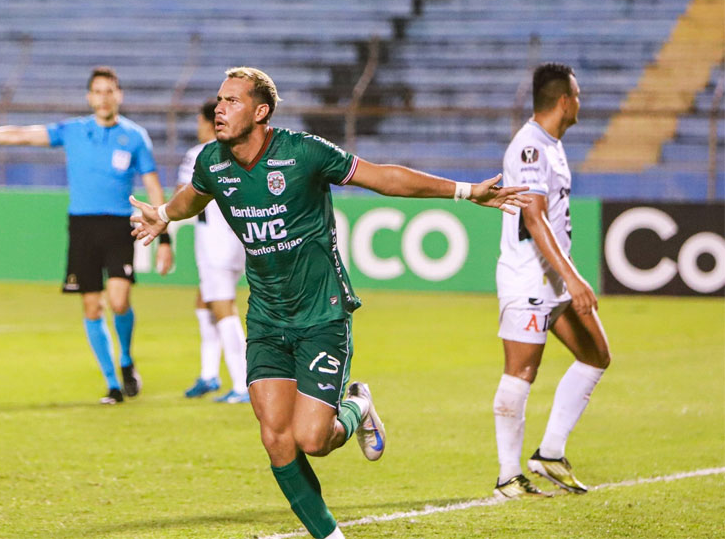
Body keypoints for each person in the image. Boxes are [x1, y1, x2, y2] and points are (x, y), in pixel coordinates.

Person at [130, 67, 531, 538]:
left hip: (321, 314)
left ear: (261, 112)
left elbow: (384, 178)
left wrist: (465, 191)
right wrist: (161, 215)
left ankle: (357, 405)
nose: (219, 108)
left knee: (312, 439)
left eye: (232, 101)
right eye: (219, 99)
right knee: (275, 436)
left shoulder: (303, 152)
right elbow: (192, 199)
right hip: (266, 318)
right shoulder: (211, 162)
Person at [0, 66, 173, 405]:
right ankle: (113, 385)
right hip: (82, 226)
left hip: (119, 225)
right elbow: (22, 134)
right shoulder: (73, 130)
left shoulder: (135, 137)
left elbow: (151, 183)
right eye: (98, 91)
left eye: (110, 91)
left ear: (119, 95)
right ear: (89, 97)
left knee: (119, 301)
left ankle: (126, 360)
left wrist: (164, 235)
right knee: (92, 306)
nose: (103, 98)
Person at [491, 63, 611, 499]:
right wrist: (575, 278)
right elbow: (534, 217)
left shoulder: (551, 145)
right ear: (564, 101)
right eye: (577, 95)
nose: (580, 102)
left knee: (596, 354)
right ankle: (508, 476)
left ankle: (550, 454)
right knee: (521, 371)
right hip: (528, 277)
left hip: (551, 279)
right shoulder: (530, 148)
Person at [178, 99, 250, 403]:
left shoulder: (199, 154)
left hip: (215, 245)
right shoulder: (240, 152)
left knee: (223, 308)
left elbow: (181, 198)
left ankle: (244, 384)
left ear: (208, 122)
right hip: (237, 240)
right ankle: (209, 374)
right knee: (204, 300)